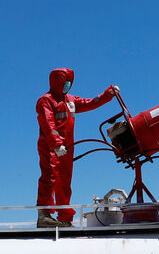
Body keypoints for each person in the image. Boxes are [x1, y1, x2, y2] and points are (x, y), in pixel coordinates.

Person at [36, 68, 118, 227]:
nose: (68, 85)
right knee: (49, 178)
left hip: (67, 148)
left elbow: (90, 103)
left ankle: (65, 218)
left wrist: (108, 94)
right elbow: (48, 123)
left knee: (65, 183)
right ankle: (44, 215)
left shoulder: (71, 100)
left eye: (69, 82)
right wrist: (57, 144)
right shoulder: (45, 100)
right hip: (51, 148)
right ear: (57, 81)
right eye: (65, 81)